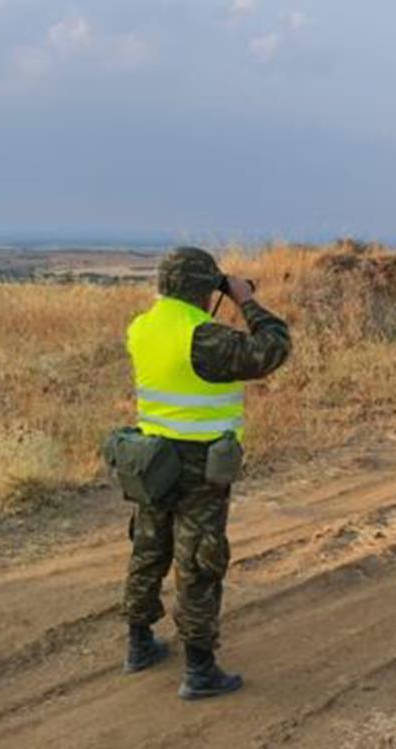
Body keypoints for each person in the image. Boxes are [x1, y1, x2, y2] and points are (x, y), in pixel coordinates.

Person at [121, 246, 291, 700]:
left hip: (150, 455)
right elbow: (272, 347)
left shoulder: (141, 328)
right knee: (199, 559)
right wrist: (243, 299)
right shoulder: (201, 336)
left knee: (149, 546)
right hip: (200, 463)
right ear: (204, 286)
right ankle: (199, 671)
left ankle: (138, 644)